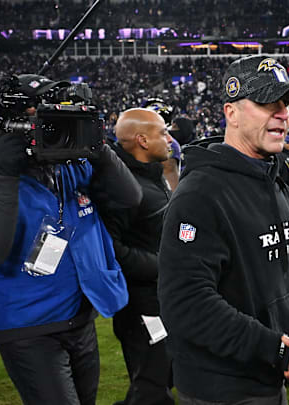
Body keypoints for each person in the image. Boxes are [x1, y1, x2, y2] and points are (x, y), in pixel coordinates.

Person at [157, 56, 289, 404]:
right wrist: (281, 351)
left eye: (285, 104)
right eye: (267, 102)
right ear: (232, 113)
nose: (283, 113)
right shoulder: (200, 193)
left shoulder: (276, 180)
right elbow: (186, 304)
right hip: (223, 389)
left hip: (268, 380)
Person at [0, 74, 141, 405]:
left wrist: (97, 145)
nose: (50, 127)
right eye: (40, 119)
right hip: (27, 326)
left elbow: (130, 198)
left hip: (81, 319)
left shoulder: (70, 165)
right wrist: (6, 176)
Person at [98, 108, 175, 405]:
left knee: (164, 374)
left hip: (162, 295)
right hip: (140, 304)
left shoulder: (152, 175)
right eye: (162, 133)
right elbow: (109, 249)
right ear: (142, 140)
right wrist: (163, 266)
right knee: (151, 386)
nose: (169, 138)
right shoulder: (119, 186)